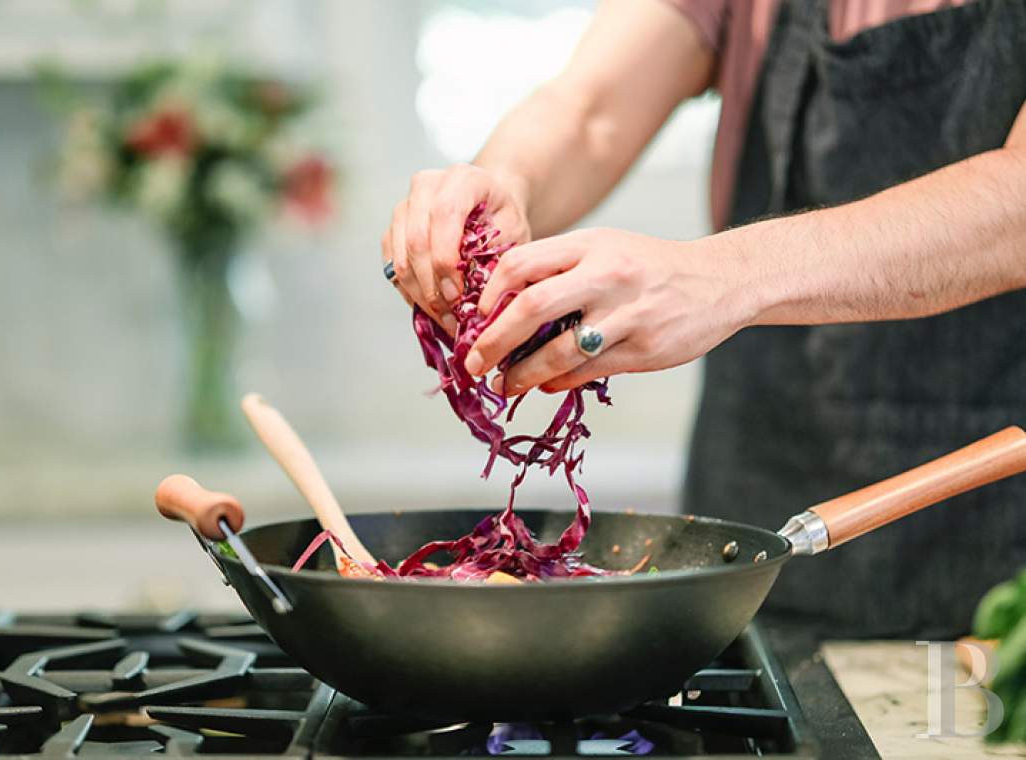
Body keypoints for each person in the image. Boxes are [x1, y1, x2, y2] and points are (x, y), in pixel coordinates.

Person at [380, 0, 1026, 638]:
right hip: (755, 500)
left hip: (991, 529)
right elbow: (589, 112)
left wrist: (724, 275)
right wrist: (502, 184)